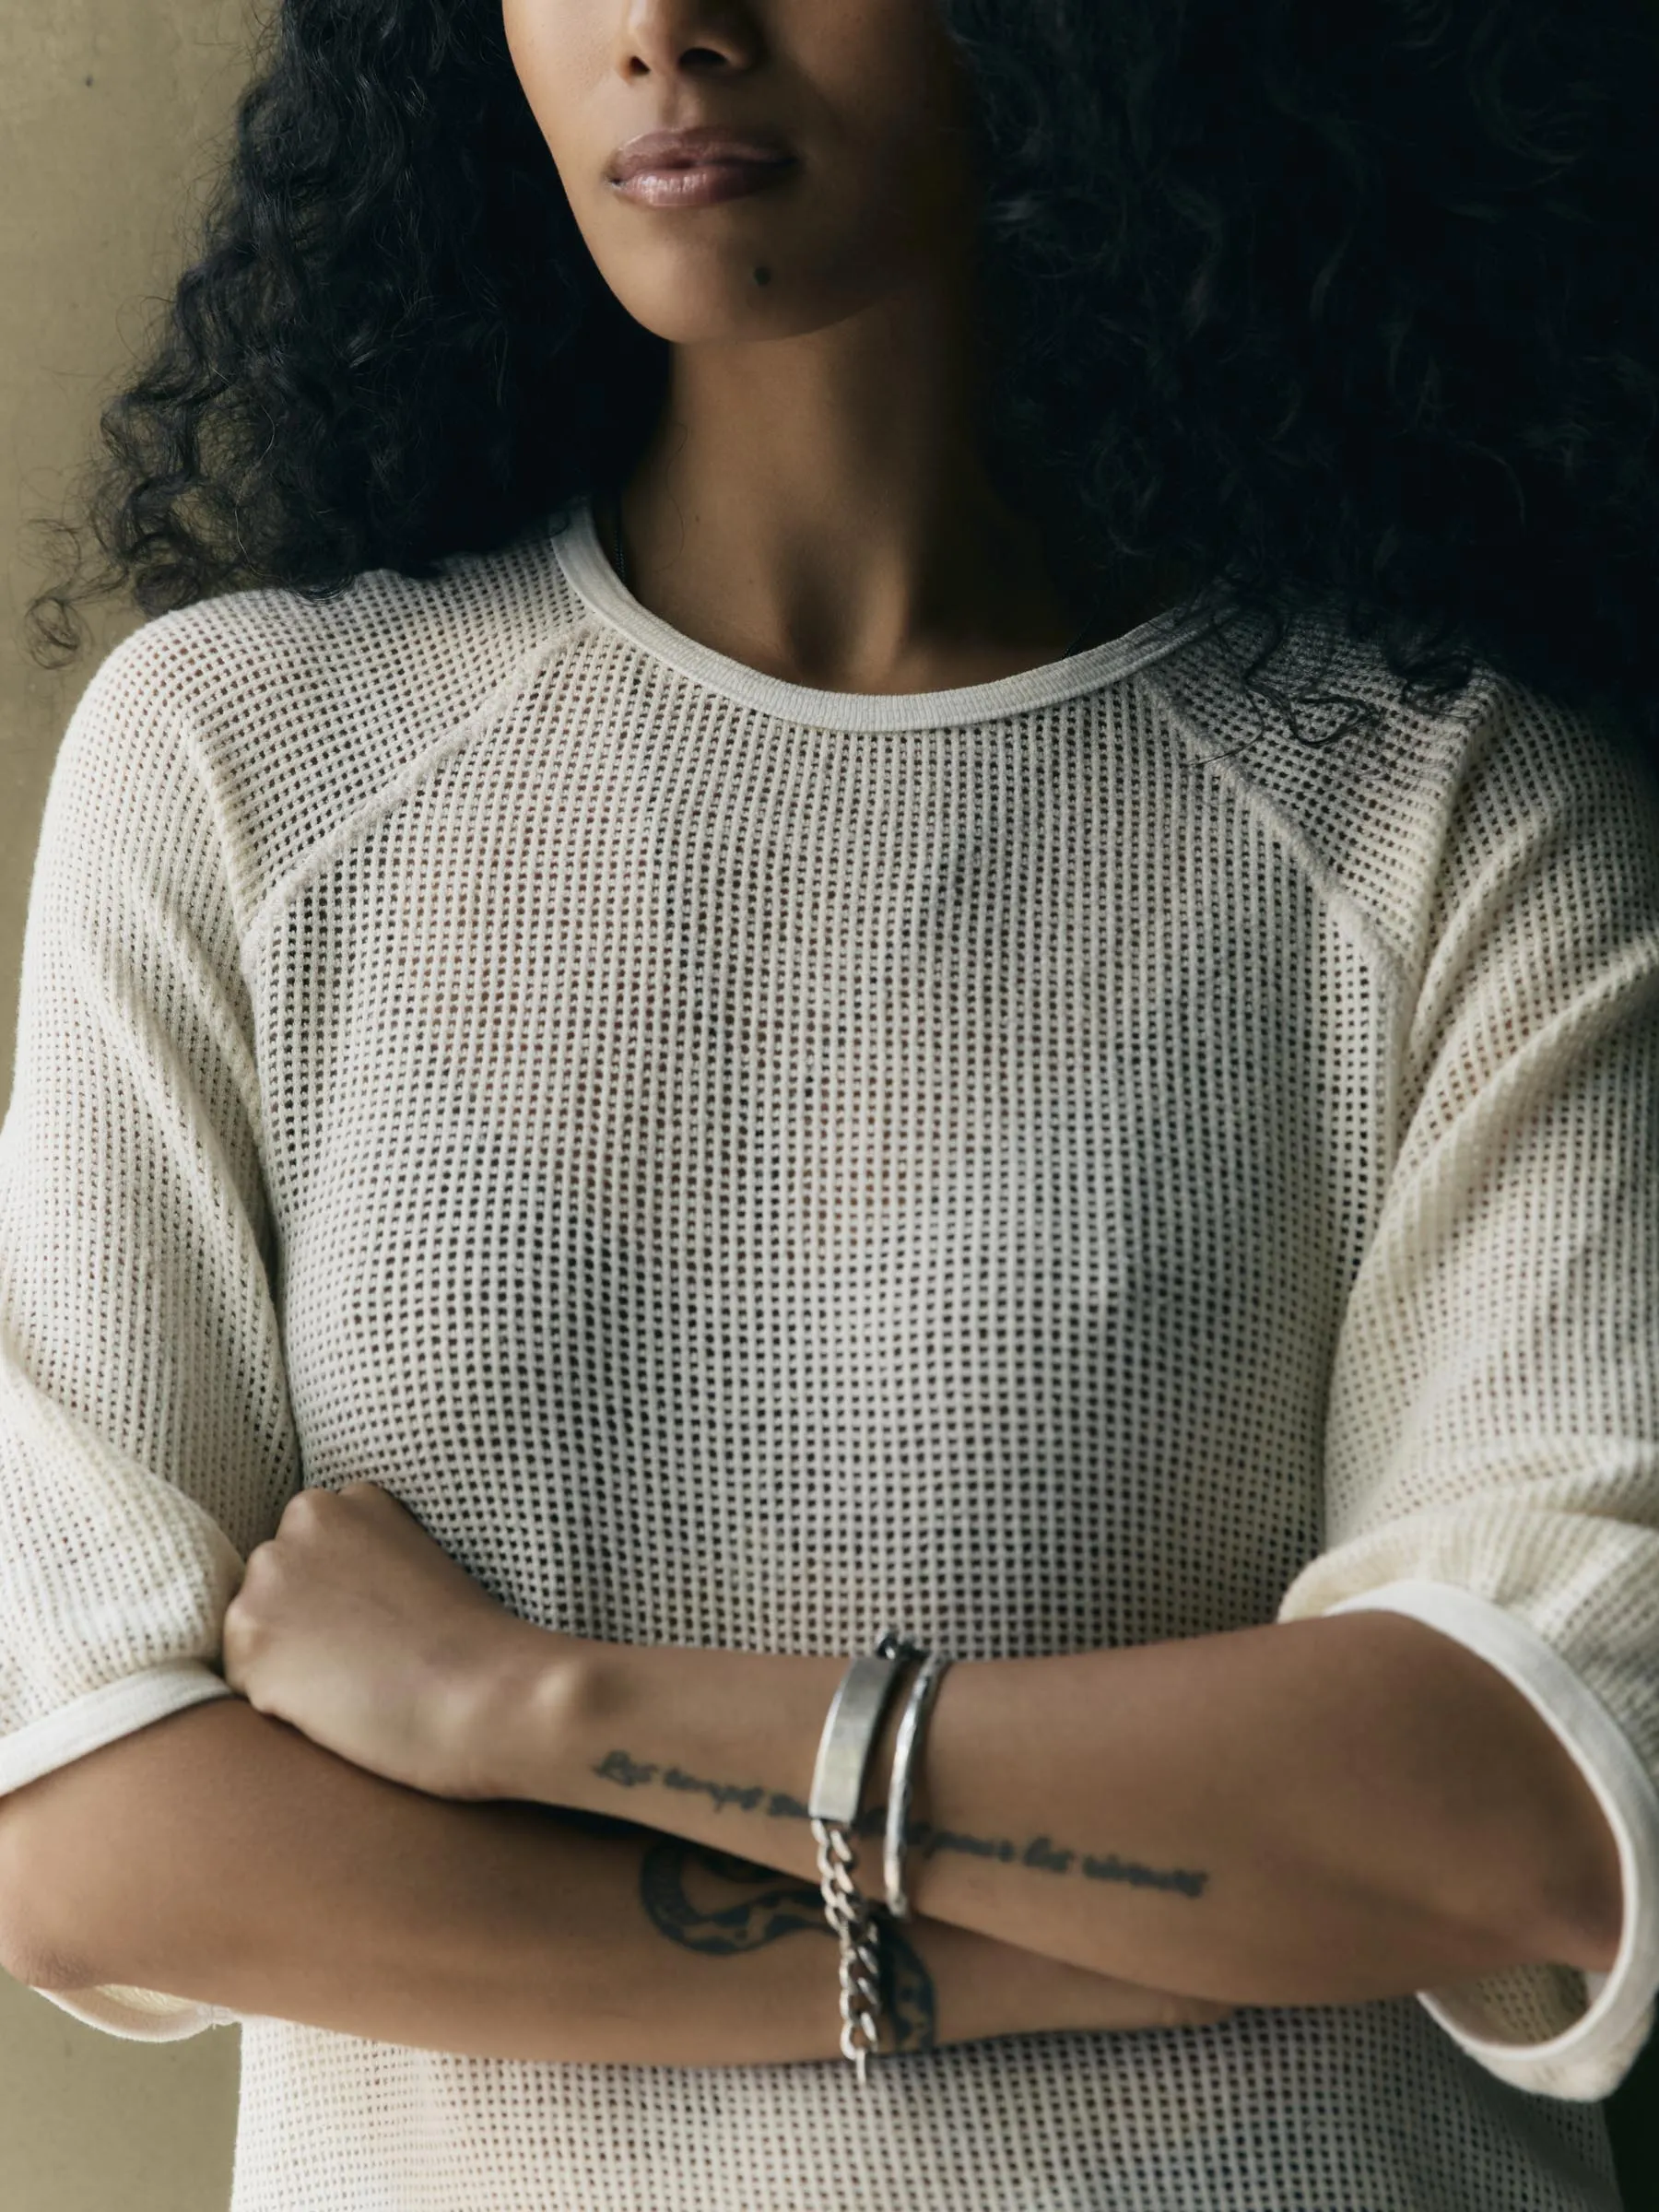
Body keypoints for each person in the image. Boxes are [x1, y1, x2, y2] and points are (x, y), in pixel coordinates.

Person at [0, 0, 1656, 2205]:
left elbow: (1521, 1804)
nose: (671, 29)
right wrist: (1038, 1948)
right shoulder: (241, 770)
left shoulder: (1449, 812)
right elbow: (97, 1830)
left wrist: (546, 1709)